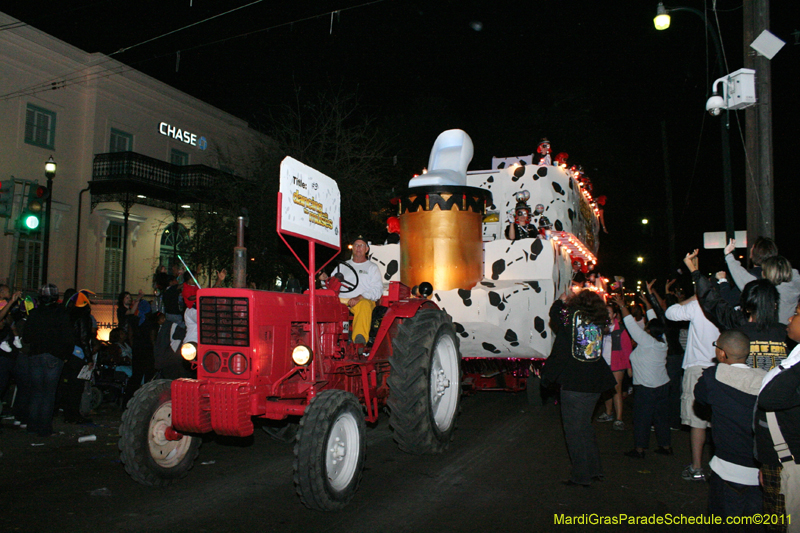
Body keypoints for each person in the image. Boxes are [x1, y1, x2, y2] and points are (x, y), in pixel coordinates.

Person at [540, 290, 615, 486]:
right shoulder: (599, 321)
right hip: (595, 383)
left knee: (574, 431)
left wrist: (560, 301)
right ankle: (594, 469)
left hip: (575, 383)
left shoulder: (571, 318)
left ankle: (581, 475)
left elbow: (555, 313)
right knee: (585, 427)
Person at [694, 330, 765, 530]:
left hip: (727, 469)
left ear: (721, 353)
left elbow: (700, 396)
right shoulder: (766, 380)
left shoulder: (713, 377)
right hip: (759, 472)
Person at [686, 249, 788, 373]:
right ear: (775, 305)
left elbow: (711, 300)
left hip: (742, 384)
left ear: (745, 306)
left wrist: (693, 269)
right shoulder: (788, 333)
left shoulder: (738, 328)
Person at [665, 283, 720, 482]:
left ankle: (697, 467)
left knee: (698, 422)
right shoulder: (727, 305)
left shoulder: (699, 305)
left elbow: (671, 312)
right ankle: (720, 467)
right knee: (719, 419)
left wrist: (695, 297)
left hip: (698, 367)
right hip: (723, 366)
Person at [756, 298, 800, 531]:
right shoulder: (796, 353)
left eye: (797, 313)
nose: (790, 318)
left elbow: (770, 398)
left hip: (792, 463)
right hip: (780, 459)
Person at [612, 294, 671, 458]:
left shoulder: (646, 341)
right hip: (662, 385)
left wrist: (622, 306)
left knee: (641, 418)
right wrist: (647, 304)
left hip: (647, 388)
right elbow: (654, 320)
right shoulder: (662, 340)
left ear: (649, 331)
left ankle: (639, 449)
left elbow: (630, 324)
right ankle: (665, 446)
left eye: (646, 327)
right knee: (661, 418)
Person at [21, 284, 74, 437]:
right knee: (49, 394)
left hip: (36, 355)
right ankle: (44, 429)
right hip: (54, 356)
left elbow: (26, 337)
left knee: (36, 392)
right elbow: (68, 337)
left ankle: (32, 426)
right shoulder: (61, 313)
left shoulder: (34, 313)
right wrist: (65, 355)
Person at [319, 237, 383, 345]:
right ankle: (321, 339)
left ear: (367, 249)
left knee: (365, 305)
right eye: (356, 245)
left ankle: (359, 341)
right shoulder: (342, 266)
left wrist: (360, 297)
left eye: (361, 245)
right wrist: (324, 280)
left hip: (361, 301)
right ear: (352, 248)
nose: (358, 248)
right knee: (320, 302)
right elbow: (330, 286)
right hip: (341, 300)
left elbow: (377, 290)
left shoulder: (372, 267)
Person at [723, 239, 800, 324]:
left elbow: (742, 277)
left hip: (770, 330)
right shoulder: (795, 288)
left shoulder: (765, 292)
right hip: (790, 329)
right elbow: (795, 275)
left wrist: (728, 255)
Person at [597, 302, 632, 431]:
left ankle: (619, 418)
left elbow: (627, 349)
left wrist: (629, 367)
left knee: (617, 390)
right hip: (604, 363)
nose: (606, 314)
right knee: (606, 390)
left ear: (615, 315)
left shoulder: (620, 329)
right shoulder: (601, 328)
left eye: (609, 312)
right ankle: (608, 413)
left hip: (617, 364)